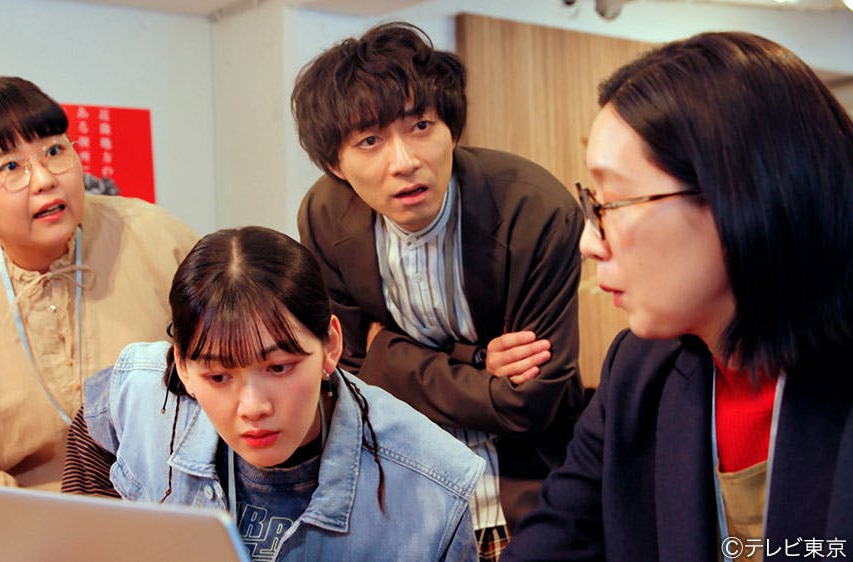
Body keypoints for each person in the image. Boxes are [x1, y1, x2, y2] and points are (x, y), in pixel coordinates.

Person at [503, 31, 853, 561]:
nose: (588, 242)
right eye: (590, 202)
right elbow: (556, 540)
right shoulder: (639, 371)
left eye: (611, 202)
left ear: (741, 197)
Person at [292, 21, 586, 557]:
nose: (405, 161)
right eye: (370, 141)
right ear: (336, 164)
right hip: (403, 501)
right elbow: (347, 374)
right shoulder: (324, 217)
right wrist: (476, 359)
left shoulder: (534, 211)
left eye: (421, 126)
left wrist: (388, 352)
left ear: (452, 129)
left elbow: (530, 402)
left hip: (532, 497)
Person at [0, 71, 197, 560]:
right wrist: (25, 533)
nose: (44, 179)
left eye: (55, 150)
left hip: (171, 518)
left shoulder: (158, 239)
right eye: (10, 167)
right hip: (26, 538)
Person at [62, 226, 485, 561]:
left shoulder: (430, 486)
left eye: (279, 368)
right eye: (218, 377)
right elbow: (94, 432)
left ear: (330, 345)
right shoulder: (140, 395)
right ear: (184, 367)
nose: (253, 408)